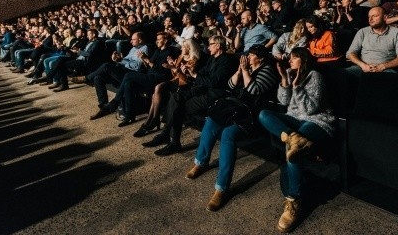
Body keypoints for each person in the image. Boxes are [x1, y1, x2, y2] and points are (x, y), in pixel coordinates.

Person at [184, 44, 279, 211]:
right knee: (211, 120)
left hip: (253, 116)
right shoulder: (246, 68)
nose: (248, 58)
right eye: (248, 55)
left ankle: (221, 189)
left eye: (251, 56)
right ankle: (201, 162)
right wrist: (239, 72)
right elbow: (230, 86)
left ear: (261, 58)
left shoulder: (268, 71)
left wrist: (245, 72)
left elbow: (254, 90)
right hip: (236, 109)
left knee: (228, 135)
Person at [258, 47, 336, 233]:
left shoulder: (314, 76)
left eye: (294, 58)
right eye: (290, 58)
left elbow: (310, 109)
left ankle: (293, 200)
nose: (290, 61)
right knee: (263, 114)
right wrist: (285, 83)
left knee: (293, 152)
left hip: (317, 122)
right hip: (294, 121)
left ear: (304, 60)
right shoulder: (291, 75)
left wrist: (298, 87)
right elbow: (284, 103)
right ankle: (294, 138)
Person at [143, 35, 237, 156]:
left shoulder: (226, 60)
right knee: (177, 96)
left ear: (218, 46)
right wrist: (188, 71)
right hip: (202, 90)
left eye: (210, 44)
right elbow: (202, 74)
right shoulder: (213, 58)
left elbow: (214, 82)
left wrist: (194, 75)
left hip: (214, 95)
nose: (208, 47)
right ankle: (168, 137)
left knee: (178, 107)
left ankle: (169, 138)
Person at [133, 38, 202, 136]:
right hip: (175, 81)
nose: (181, 48)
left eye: (183, 47)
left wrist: (174, 68)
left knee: (158, 88)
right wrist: (172, 66)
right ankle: (153, 119)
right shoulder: (180, 57)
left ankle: (152, 120)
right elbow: (174, 75)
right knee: (157, 89)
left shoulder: (193, 60)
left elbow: (187, 80)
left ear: (189, 48)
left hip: (185, 85)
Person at [74, 32, 149, 117]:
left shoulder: (145, 49)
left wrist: (121, 61)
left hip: (132, 75)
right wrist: (118, 59)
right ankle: (104, 107)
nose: (131, 41)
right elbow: (125, 60)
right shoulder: (133, 48)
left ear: (140, 40)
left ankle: (87, 78)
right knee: (98, 78)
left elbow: (137, 66)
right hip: (123, 71)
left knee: (106, 66)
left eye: (133, 39)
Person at [345, 6, 398, 76]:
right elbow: (350, 53)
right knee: (342, 74)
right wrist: (363, 65)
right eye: (369, 16)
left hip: (386, 70)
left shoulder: (397, 33)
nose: (370, 19)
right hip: (362, 68)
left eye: (374, 16)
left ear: (385, 17)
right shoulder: (362, 31)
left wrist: (382, 66)